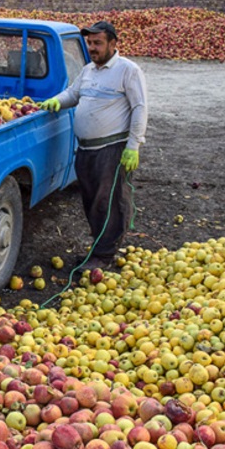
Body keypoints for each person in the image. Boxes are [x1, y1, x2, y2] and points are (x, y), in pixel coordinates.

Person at [41, 21, 148, 271]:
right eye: (90, 43)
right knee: (91, 201)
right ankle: (99, 248)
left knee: (108, 202)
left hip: (111, 149)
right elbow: (73, 94)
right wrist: (56, 101)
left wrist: (134, 145)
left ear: (113, 43)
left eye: (98, 43)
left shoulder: (127, 70)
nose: (93, 48)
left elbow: (140, 108)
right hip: (86, 149)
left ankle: (104, 255)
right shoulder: (88, 70)